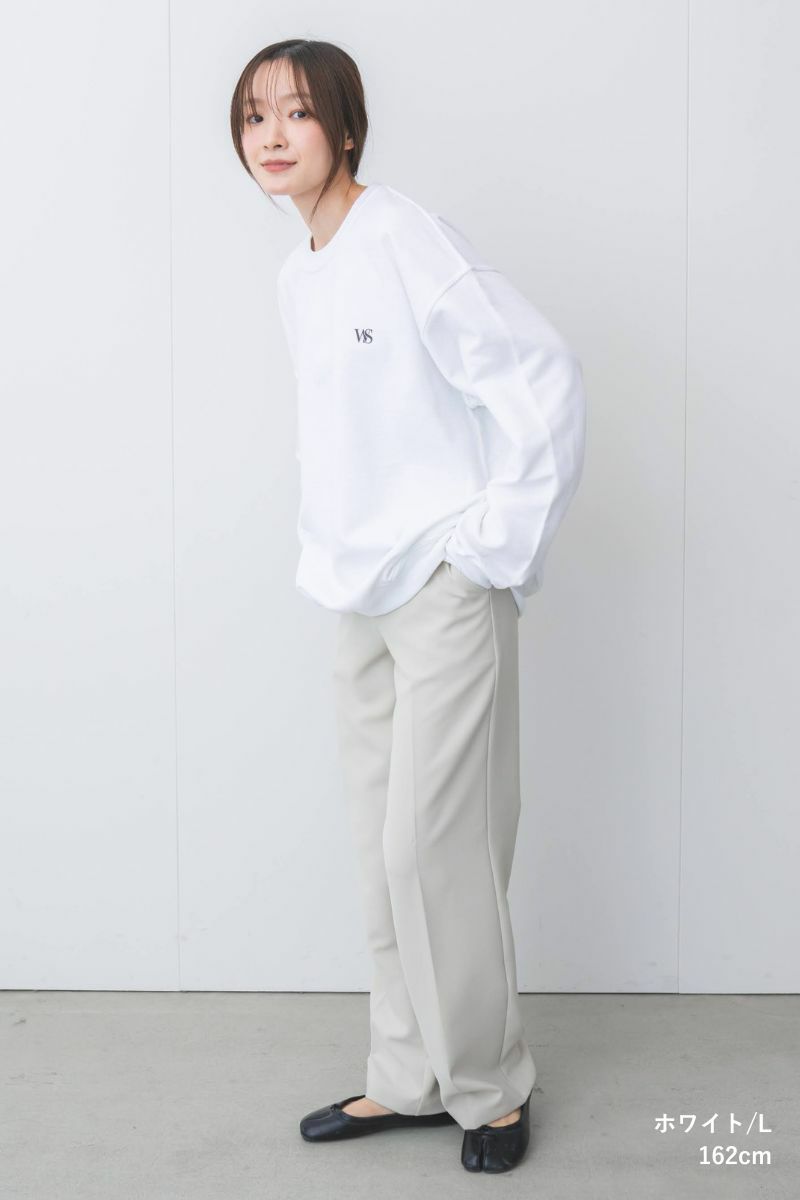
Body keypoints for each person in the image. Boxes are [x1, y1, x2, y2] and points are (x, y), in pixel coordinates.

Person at [230, 38, 587, 1174]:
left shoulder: (402, 237)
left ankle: (491, 1089)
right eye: (254, 116)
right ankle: (409, 1075)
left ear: (344, 126)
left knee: (437, 848)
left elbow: (539, 372)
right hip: (356, 593)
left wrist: (488, 551)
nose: (273, 135)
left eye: (297, 112)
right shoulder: (300, 272)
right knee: (380, 851)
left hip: (440, 585)